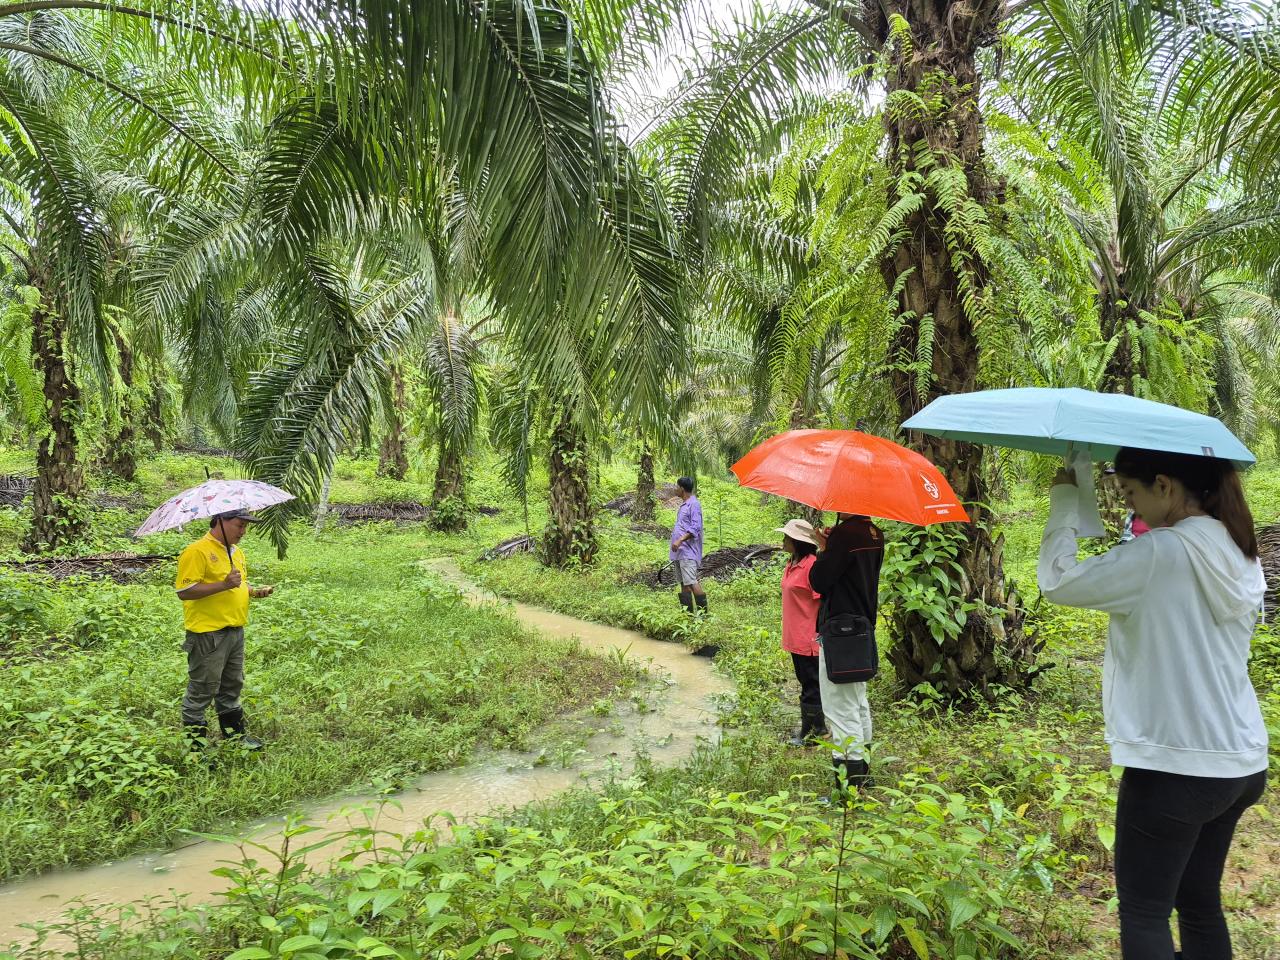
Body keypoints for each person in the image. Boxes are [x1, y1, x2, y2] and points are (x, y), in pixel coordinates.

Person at [1038, 447, 1268, 960]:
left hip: (1175, 764)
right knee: (1200, 902)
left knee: (1144, 913)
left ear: (1164, 485)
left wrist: (1063, 499)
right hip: (1241, 761)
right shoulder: (1237, 550)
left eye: (1130, 493)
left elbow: (1058, 580)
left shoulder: (1161, 553)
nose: (1132, 509)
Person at [175, 509, 275, 752]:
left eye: (245, 527)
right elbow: (184, 591)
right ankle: (195, 749)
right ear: (220, 521)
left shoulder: (236, 553)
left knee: (232, 685)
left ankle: (235, 737)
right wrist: (223, 584)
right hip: (208, 634)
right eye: (239, 525)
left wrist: (252, 591)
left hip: (234, 630)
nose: (243, 532)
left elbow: (238, 584)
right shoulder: (196, 551)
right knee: (203, 688)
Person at [809, 512, 884, 791]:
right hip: (861, 630)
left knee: (840, 710)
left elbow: (819, 581)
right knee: (858, 703)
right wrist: (833, 546)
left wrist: (824, 549)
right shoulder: (874, 533)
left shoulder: (845, 535)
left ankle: (847, 790)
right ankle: (863, 776)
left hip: (840, 632)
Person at [777, 518, 826, 746]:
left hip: (808, 638)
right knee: (806, 681)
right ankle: (816, 727)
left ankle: (812, 732)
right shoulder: (791, 563)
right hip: (794, 636)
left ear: (798, 541)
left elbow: (822, 601)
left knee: (810, 684)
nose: (783, 540)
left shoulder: (812, 566)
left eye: (787, 537)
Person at [669, 476, 706, 615]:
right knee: (684, 583)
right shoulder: (684, 505)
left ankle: (703, 615)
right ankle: (688, 616)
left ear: (682, 489)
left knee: (691, 581)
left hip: (688, 551)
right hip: (680, 552)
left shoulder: (694, 504)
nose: (675, 489)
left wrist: (679, 540)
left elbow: (695, 528)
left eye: (676, 486)